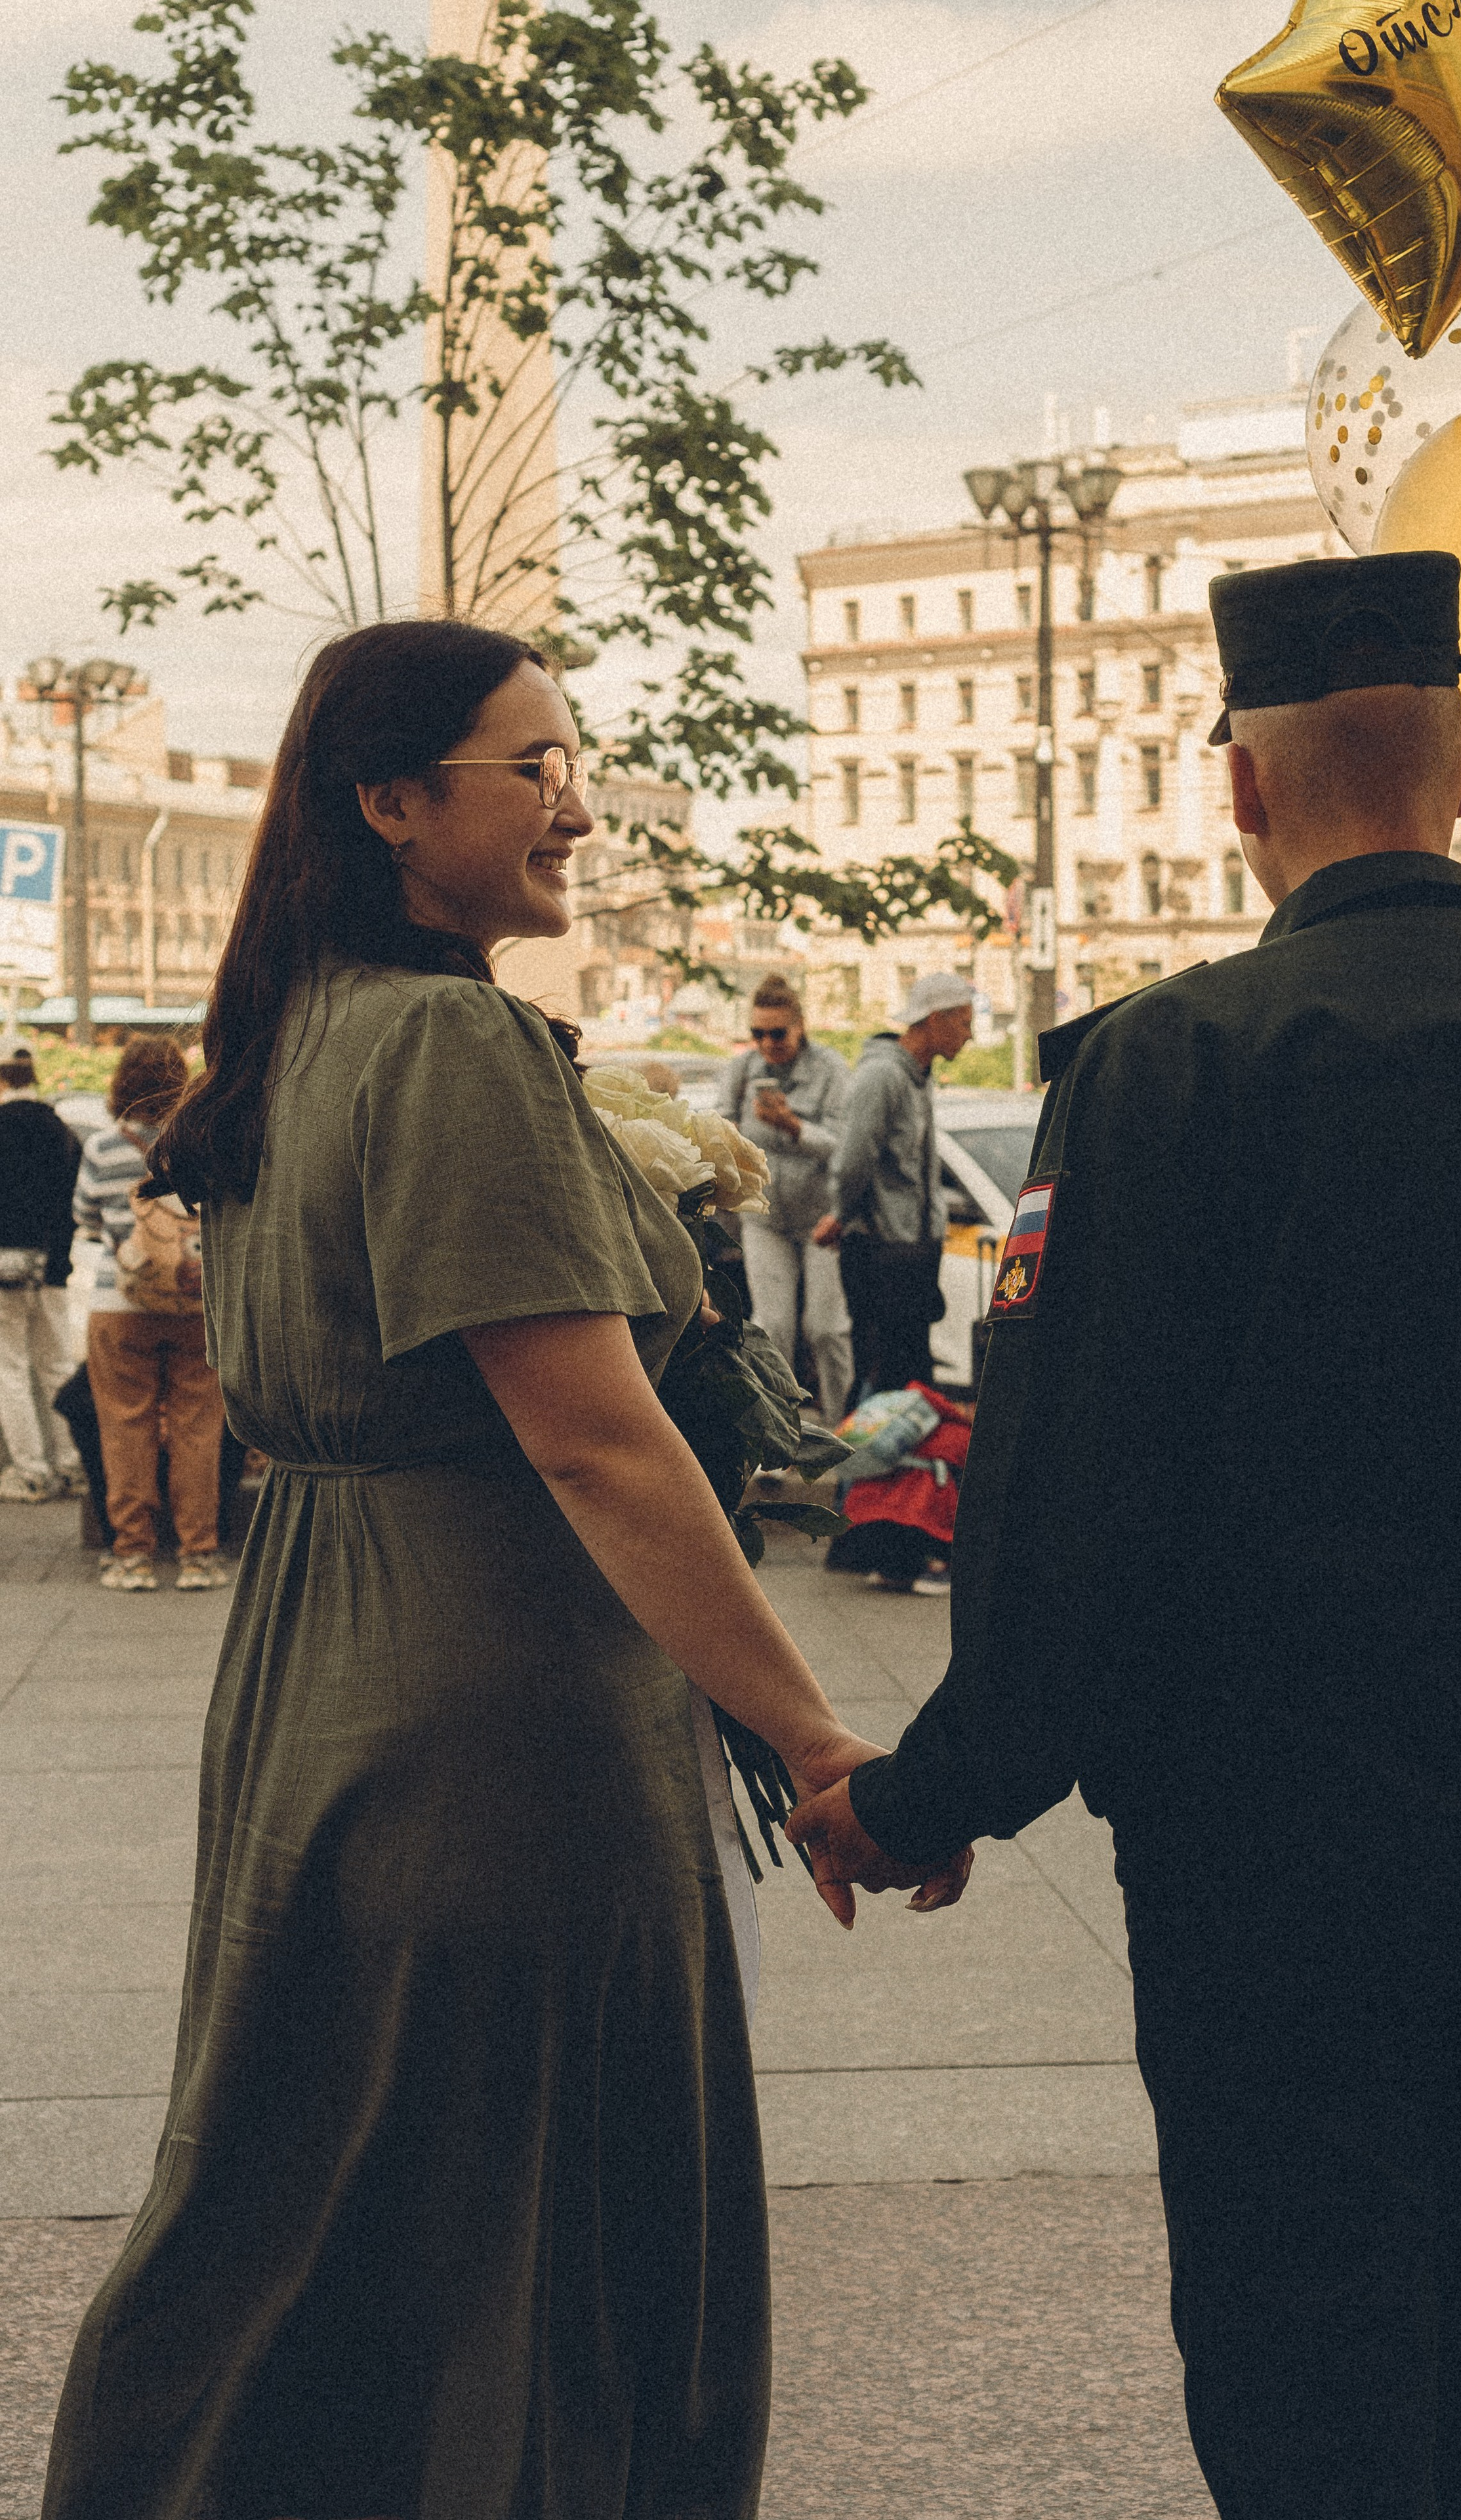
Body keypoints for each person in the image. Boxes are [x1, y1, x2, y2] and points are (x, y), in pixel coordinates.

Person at [43, 618, 969, 2520]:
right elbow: (593, 1438)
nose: (576, 806)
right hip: (501, 1707)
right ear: (389, 801)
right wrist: (815, 1741)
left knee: (329, 2196)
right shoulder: (451, 1041)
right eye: (532, 767)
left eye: (576, 762)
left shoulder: (296, 1030)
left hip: (325, 1681)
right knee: (526, 2228)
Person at [789, 551, 1461, 2520]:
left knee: (1304, 2371)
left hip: (1260, 1849)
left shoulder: (1165, 1065)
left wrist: (936, 1790)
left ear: (1240, 787)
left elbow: (1066, 1493)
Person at [73, 1035, 227, 1593]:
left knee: (124, 1427)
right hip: (194, 1303)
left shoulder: (103, 1148)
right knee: (197, 1429)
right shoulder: (203, 1142)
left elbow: (86, 1220)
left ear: (121, 1085)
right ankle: (198, 1556)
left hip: (121, 1304)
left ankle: (133, 1556)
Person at [813, 972, 974, 1403]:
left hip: (913, 1248)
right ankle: (856, 1449)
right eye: (964, 1022)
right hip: (880, 1248)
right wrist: (840, 1214)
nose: (970, 1034)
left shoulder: (918, 1075)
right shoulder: (881, 1075)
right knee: (880, 1374)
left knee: (910, 1376)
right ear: (935, 1019)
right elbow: (853, 1160)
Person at [720, 974, 854, 1423]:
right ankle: (778, 1429)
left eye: (777, 1033)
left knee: (826, 1328)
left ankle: (841, 1425)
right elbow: (718, 1128)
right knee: (772, 1327)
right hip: (765, 1217)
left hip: (819, 1217)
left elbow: (844, 1144)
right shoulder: (742, 1070)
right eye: (757, 1033)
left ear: (800, 1027)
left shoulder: (830, 1069)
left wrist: (794, 1127)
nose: (767, 1044)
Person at [0, 1047, 83, 1500]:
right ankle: (73, 1466)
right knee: (56, 1366)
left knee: (10, 1369)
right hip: (53, 1267)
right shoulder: (61, 1131)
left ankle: (31, 1473)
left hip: (5, 1268)